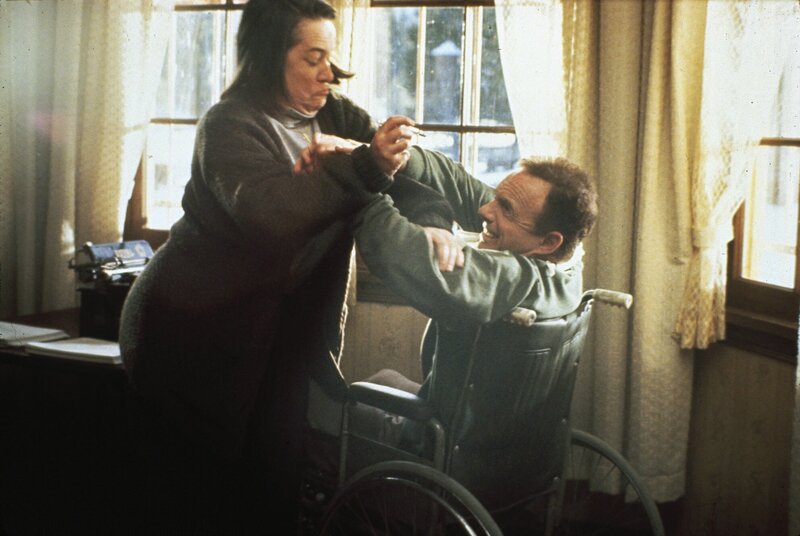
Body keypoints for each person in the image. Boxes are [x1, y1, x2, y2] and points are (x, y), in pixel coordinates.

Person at [118, 0, 452, 532]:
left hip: (277, 331)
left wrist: (434, 222)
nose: (327, 74)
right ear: (271, 56)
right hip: (189, 337)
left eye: (330, 58)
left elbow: (407, 179)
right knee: (199, 494)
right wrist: (364, 162)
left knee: (273, 481)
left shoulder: (337, 114)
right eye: (312, 59)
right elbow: (273, 216)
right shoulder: (228, 124)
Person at [351, 148, 598, 427]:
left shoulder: (507, 280)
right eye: (497, 199)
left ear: (548, 242)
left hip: (443, 435)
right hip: (510, 437)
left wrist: (358, 178)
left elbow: (393, 249)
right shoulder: (568, 264)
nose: (484, 210)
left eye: (505, 208)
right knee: (384, 378)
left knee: (351, 403)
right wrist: (403, 158)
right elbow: (462, 188)